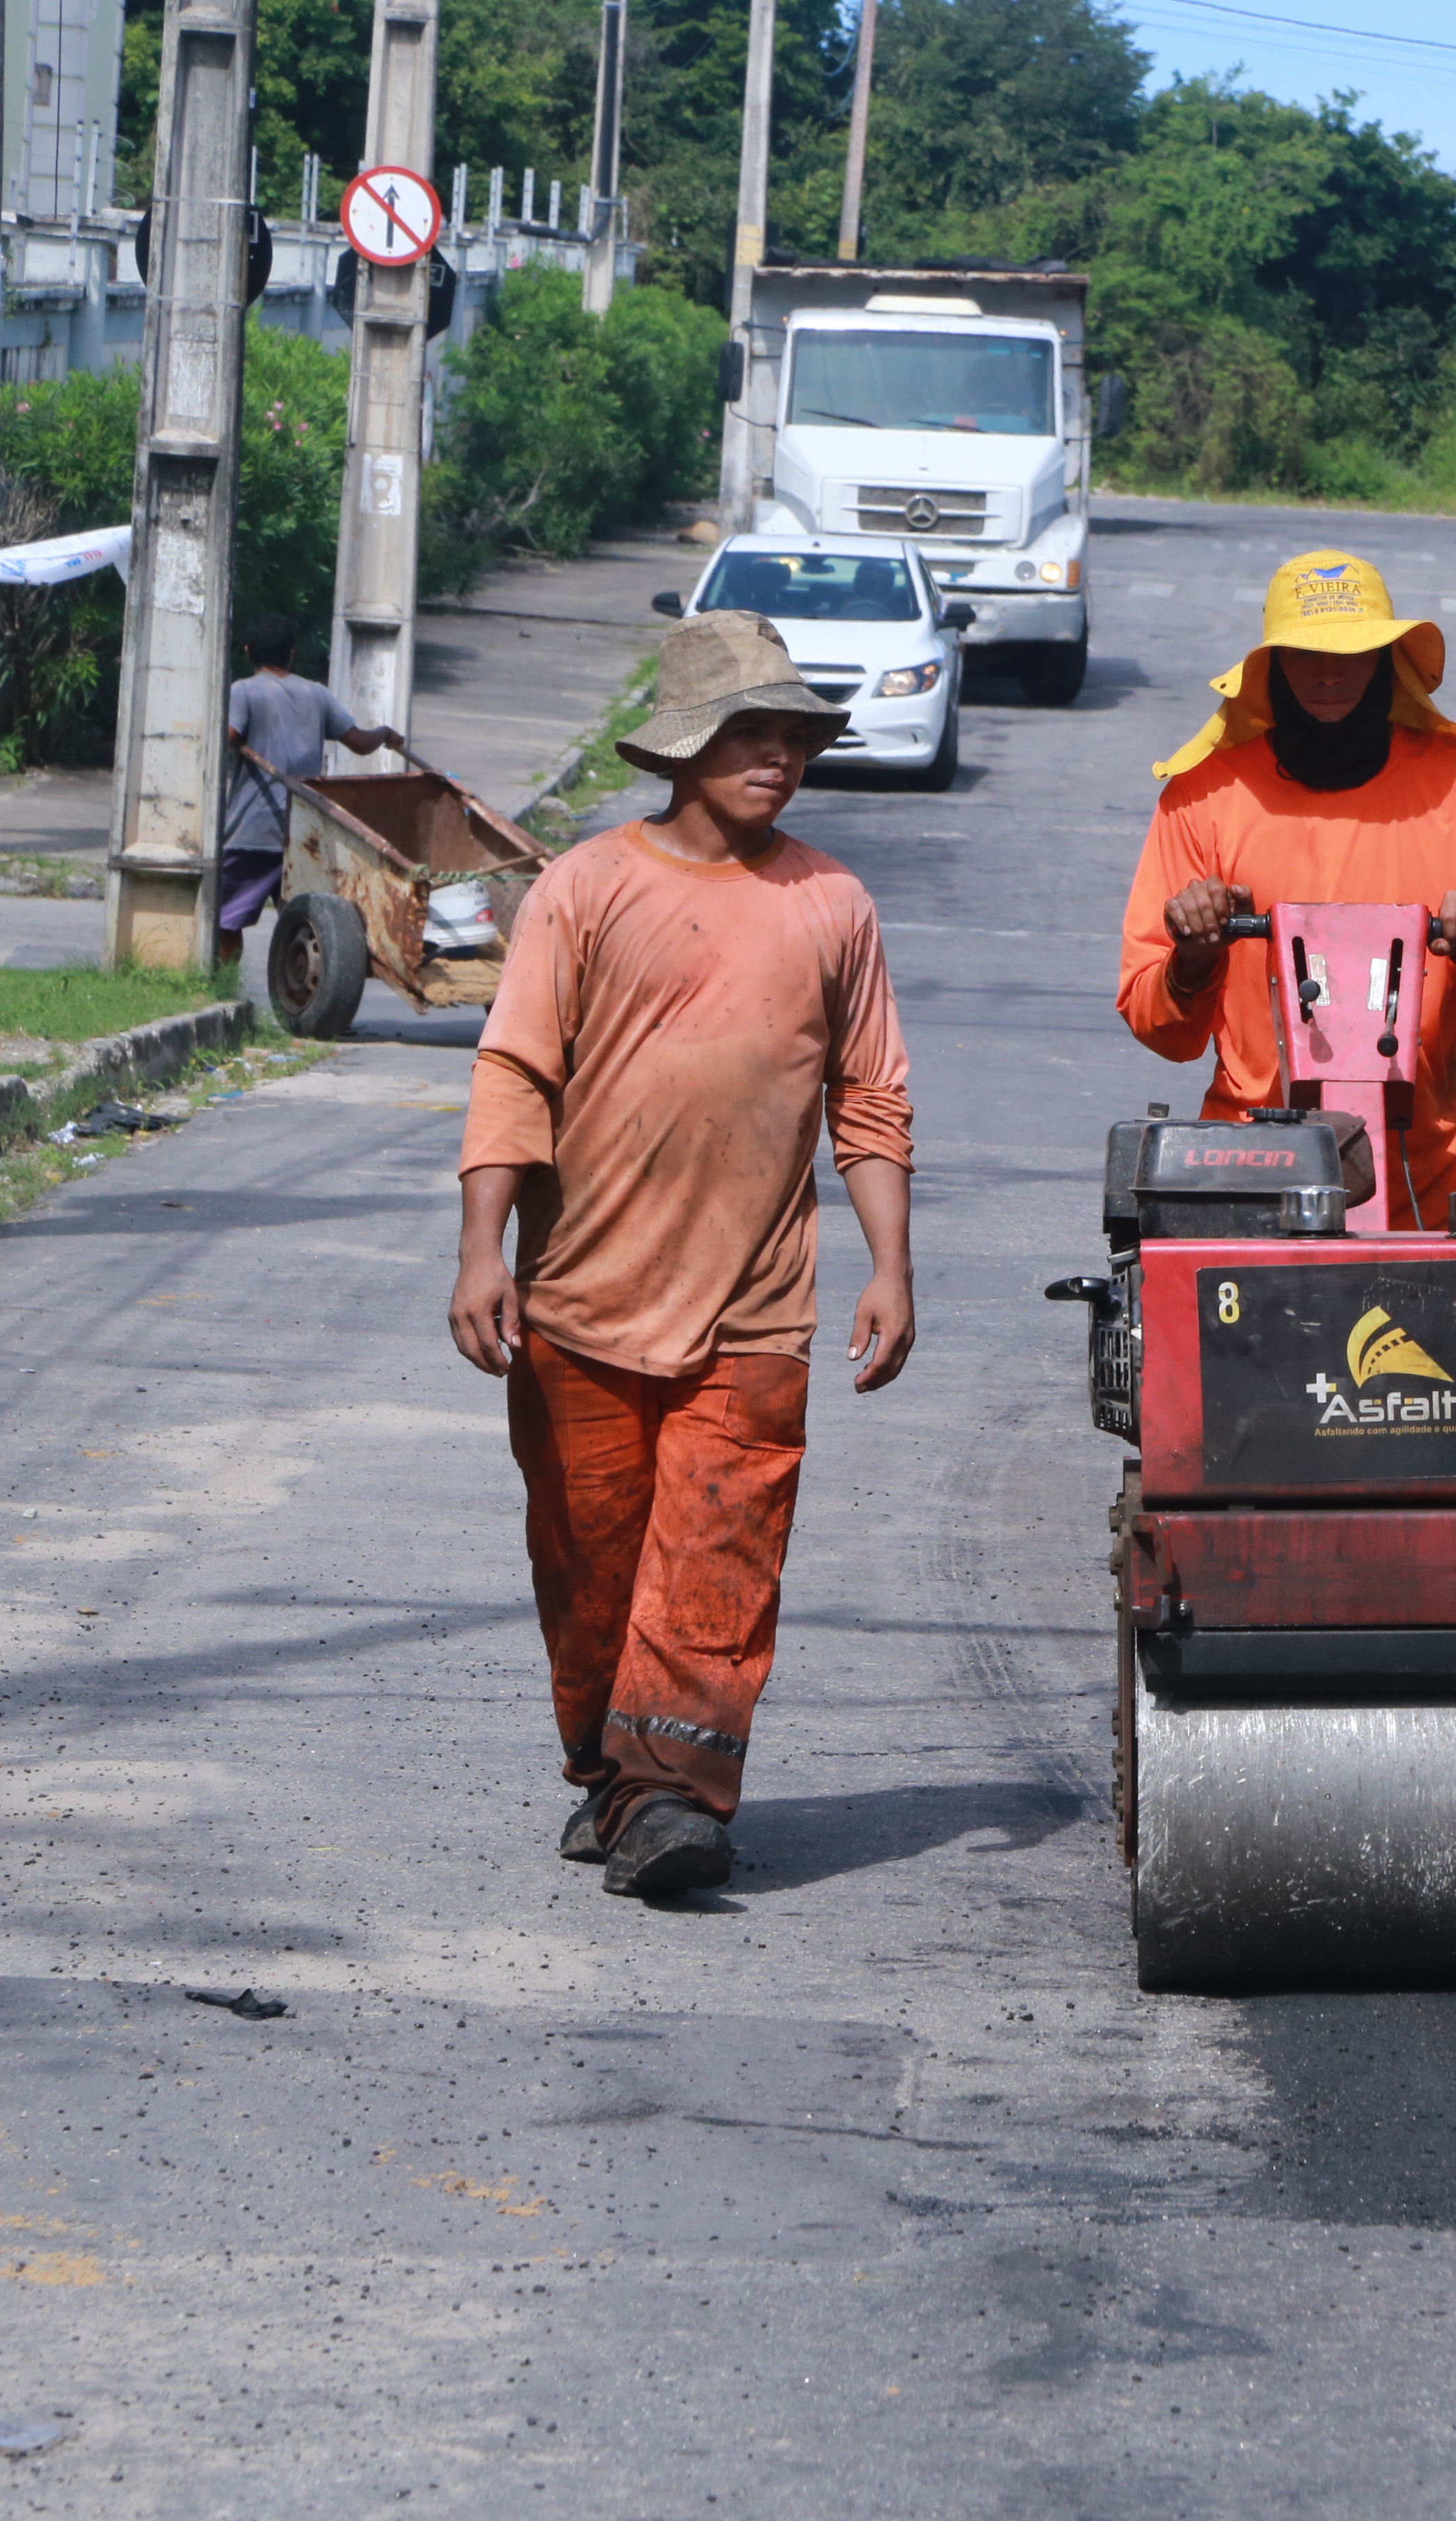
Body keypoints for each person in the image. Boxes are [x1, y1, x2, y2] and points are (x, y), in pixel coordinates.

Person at [446, 611, 919, 1900]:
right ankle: (612, 1771)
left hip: (756, 1311)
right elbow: (515, 1071)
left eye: (794, 737)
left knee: (718, 1550)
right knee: (590, 1557)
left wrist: (890, 1262)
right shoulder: (588, 888)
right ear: (683, 749)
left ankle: (672, 1794)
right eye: (747, 733)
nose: (777, 758)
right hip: (581, 1300)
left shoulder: (832, 903)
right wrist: (482, 1246)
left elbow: (869, 1098)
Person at [1119, 550, 1456, 1225]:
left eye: (1353, 652)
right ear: (1270, 665)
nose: (1329, 673)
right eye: (1305, 653)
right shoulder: (1203, 797)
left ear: (1389, 660)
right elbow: (1159, 1025)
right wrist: (1193, 957)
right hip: (1248, 1180)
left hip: (1425, 1183)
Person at [218, 614, 404, 963]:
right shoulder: (316, 694)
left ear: (247, 652)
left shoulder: (243, 691)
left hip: (252, 833)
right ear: (291, 654)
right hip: (303, 832)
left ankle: (222, 982)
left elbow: (226, 736)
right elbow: (361, 743)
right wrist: (384, 734)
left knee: (225, 922)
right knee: (302, 925)